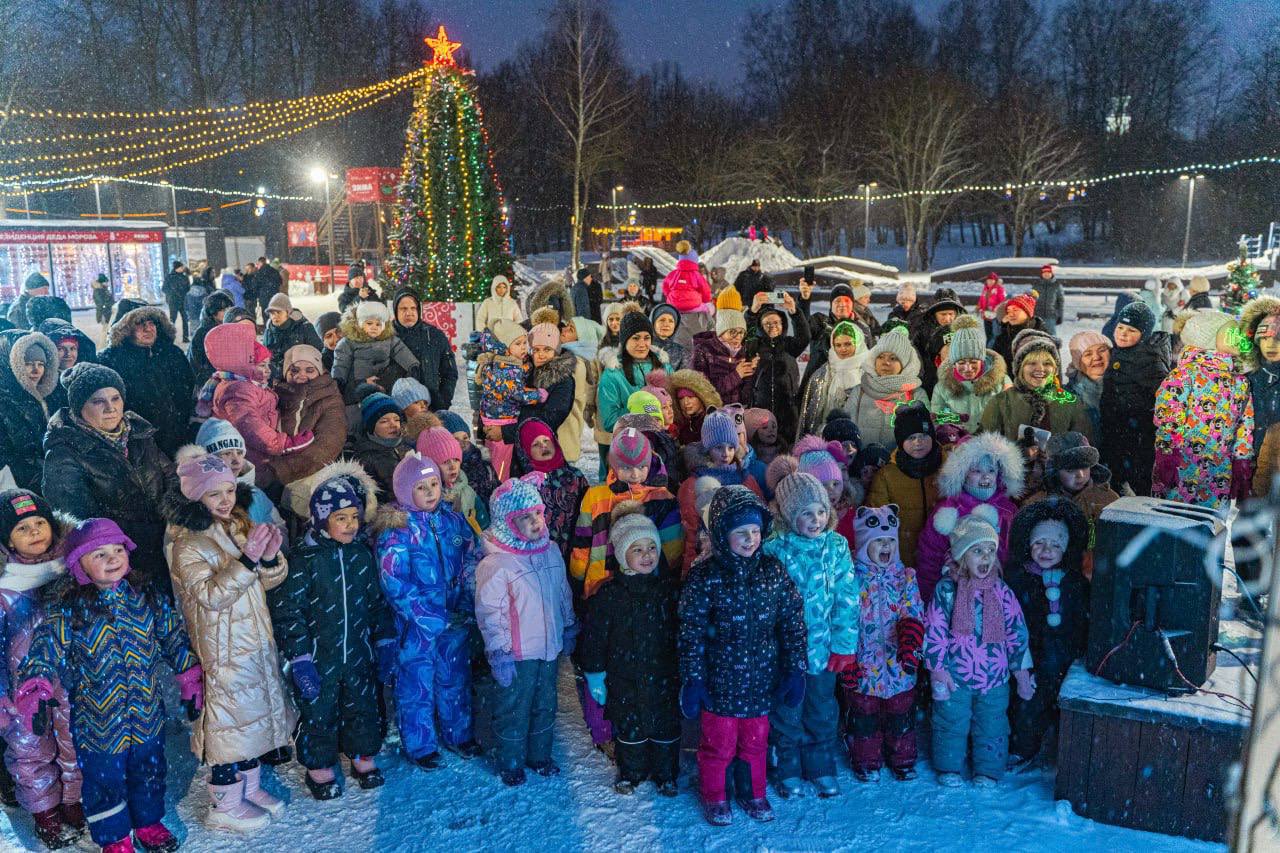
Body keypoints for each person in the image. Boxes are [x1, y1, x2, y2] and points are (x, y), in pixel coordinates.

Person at [16, 518, 200, 853]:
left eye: (118, 550)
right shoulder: (71, 609)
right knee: (105, 783)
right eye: (99, 554)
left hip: (146, 714)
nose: (112, 558)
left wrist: (189, 677)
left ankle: (148, 823)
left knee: (150, 771)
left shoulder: (146, 597)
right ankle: (114, 838)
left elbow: (173, 637)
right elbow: (46, 646)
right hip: (98, 723)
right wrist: (37, 684)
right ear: (79, 566)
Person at [163, 451, 295, 831]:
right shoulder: (187, 545)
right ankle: (223, 802)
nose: (225, 500)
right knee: (226, 727)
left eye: (228, 491)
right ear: (194, 499)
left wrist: (270, 559)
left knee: (251, 721)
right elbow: (210, 596)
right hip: (220, 647)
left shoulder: (236, 526)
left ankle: (248, 788)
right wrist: (248, 563)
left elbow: (265, 581)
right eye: (213, 495)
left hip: (252, 638)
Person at [678, 486, 806, 826]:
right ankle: (715, 795)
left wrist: (795, 669)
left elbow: (792, 622)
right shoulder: (705, 577)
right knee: (718, 746)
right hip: (719, 683)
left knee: (754, 744)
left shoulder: (773, 571)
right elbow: (690, 632)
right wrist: (694, 678)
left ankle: (753, 792)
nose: (750, 539)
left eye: (754, 531)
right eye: (740, 533)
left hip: (762, 681)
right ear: (722, 534)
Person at [374, 453, 481, 771]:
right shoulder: (397, 532)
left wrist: (467, 602)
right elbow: (395, 583)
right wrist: (429, 616)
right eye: (422, 487)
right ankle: (421, 744)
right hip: (417, 627)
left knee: (455, 679)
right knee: (416, 684)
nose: (432, 491)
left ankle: (458, 734)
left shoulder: (453, 519)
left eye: (434, 483)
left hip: (455, 619)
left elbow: (470, 557)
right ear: (406, 492)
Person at [475, 474, 578, 786]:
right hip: (517, 654)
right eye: (524, 517)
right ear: (507, 523)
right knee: (514, 706)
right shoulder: (498, 565)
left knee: (545, 703)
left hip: (549, 648)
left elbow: (562, 592)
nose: (535, 522)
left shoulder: (551, 552)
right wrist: (499, 653)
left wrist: (569, 624)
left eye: (537, 513)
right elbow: (491, 614)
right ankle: (511, 760)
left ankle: (540, 755)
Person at [763, 472, 859, 798]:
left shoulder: (836, 546)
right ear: (790, 515)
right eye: (805, 513)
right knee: (788, 712)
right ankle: (787, 765)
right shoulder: (775, 549)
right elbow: (768, 603)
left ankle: (820, 764)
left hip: (823, 651)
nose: (815, 519)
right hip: (787, 654)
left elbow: (847, 598)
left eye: (819, 511)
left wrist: (844, 645)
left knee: (822, 709)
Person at [42, 364, 176, 595]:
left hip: (163, 548)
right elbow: (83, 522)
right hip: (117, 564)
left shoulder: (138, 434)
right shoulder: (64, 453)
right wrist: (146, 538)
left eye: (115, 398)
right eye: (98, 401)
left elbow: (172, 476)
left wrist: (179, 516)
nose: (110, 408)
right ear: (79, 407)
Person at [923, 507, 1032, 787]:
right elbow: (934, 629)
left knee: (992, 725)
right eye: (977, 551)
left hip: (994, 676)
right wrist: (937, 669)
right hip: (955, 674)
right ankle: (949, 766)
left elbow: (1016, 632)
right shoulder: (947, 590)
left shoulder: (1002, 591)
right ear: (961, 555)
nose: (985, 558)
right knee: (950, 722)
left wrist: (1021, 673)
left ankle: (988, 770)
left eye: (989, 551)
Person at [578, 505, 682, 796]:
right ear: (623, 555)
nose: (647, 555)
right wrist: (595, 673)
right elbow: (595, 638)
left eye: (651, 547)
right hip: (625, 677)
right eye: (637, 550)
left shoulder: (668, 590)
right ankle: (632, 771)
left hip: (663, 673)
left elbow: (680, 630)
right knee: (629, 725)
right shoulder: (609, 595)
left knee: (665, 726)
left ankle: (666, 774)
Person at [0, 490, 84, 848]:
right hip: (23, 692)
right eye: (22, 528)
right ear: (6, 539)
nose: (35, 532)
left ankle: (73, 802)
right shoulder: (5, 589)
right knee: (29, 750)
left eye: (40, 523)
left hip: (72, 681)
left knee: (74, 742)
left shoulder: (74, 567)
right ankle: (44, 811)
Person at [841, 504, 924, 783]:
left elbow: (912, 610)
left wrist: (910, 639)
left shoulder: (905, 578)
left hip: (898, 665)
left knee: (901, 713)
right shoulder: (851, 578)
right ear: (865, 544)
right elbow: (845, 619)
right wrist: (847, 659)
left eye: (890, 541)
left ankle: (902, 758)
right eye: (879, 541)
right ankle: (866, 759)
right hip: (864, 665)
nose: (886, 546)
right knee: (865, 716)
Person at [1004, 497, 1090, 768]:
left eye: (1055, 545)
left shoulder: (1074, 581)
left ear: (1065, 549)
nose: (1046, 550)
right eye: (1039, 543)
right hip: (1027, 653)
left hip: (1063, 653)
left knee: (1058, 701)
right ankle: (1023, 745)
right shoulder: (1018, 578)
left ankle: (1058, 746)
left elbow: (1082, 616)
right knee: (1026, 701)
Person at [1154, 310, 1253, 509]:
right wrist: (1167, 453)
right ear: (1208, 338)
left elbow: (1245, 423)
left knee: (1211, 528)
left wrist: (1242, 460)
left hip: (1219, 473)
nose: (1238, 339)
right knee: (1174, 524)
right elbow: (1168, 417)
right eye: (1231, 334)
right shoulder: (1183, 376)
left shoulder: (1240, 382)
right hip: (1181, 467)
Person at [915, 432, 1025, 605]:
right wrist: (929, 597)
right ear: (963, 473)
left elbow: (1017, 553)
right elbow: (930, 555)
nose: (985, 476)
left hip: (1000, 595)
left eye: (991, 470)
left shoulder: (1008, 510)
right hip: (955, 595)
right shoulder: (948, 511)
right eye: (976, 471)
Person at [199, 322, 314, 478]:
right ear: (236, 357)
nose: (267, 370)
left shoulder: (243, 382)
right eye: (259, 363)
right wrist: (283, 444)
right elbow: (249, 424)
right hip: (254, 458)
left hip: (257, 453)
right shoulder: (237, 390)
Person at [98, 304, 195, 455]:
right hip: (135, 444)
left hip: (177, 438)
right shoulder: (110, 360)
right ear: (125, 329)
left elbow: (189, 390)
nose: (148, 329)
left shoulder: (172, 354)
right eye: (140, 324)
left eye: (152, 323)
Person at [678, 411, 764, 574]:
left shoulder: (745, 477)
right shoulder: (694, 484)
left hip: (746, 552)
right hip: (709, 558)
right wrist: (688, 569)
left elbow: (760, 514)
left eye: (731, 447)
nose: (726, 453)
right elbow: (690, 531)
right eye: (719, 447)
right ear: (707, 448)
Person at [1099, 301, 1171, 496]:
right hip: (1117, 430)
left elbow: (1162, 398)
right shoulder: (1119, 352)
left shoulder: (1149, 361)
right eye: (1120, 327)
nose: (1123, 333)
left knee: (1137, 481)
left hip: (1136, 435)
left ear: (1144, 335)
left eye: (1131, 330)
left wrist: (1138, 415)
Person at [1023, 433, 1118, 580]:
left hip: (1096, 578)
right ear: (1056, 472)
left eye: (1084, 467)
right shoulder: (1037, 504)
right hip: (1052, 579)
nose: (1080, 475)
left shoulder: (1109, 499)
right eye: (1070, 470)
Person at [979, 329, 1094, 448]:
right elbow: (985, 447)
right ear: (1020, 368)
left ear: (1055, 369)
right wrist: (1018, 455)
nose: (1040, 369)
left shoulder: (1071, 402)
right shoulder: (1000, 402)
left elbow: (1085, 449)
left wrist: (1059, 457)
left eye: (1047, 363)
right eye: (1032, 363)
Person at [862, 402, 943, 569]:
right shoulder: (887, 476)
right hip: (901, 561)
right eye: (910, 437)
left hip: (941, 559)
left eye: (923, 436)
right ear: (900, 441)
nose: (918, 442)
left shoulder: (948, 467)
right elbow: (875, 521)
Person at [596, 310, 670, 479]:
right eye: (635, 338)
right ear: (624, 340)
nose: (642, 344)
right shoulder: (613, 373)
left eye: (646, 338)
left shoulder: (664, 367)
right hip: (628, 452)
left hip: (661, 448)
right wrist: (642, 407)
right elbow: (609, 421)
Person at [270, 345, 347, 492]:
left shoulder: (330, 399)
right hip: (273, 473)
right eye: (294, 370)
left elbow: (328, 444)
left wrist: (281, 471)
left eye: (310, 370)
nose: (302, 375)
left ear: (320, 371)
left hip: (313, 476)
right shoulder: (272, 396)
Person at [332, 301, 420, 429]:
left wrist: (412, 365)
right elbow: (341, 363)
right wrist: (339, 378)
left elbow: (401, 350)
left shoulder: (389, 340)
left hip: (383, 382)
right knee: (357, 414)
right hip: (359, 384)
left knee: (382, 410)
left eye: (378, 324)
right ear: (360, 324)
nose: (374, 327)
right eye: (369, 323)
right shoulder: (348, 342)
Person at [514, 420, 588, 564]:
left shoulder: (575, 476)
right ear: (525, 451)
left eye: (546, 440)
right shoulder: (524, 485)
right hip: (539, 556)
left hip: (576, 551)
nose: (544, 446)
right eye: (535, 444)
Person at [476, 319, 541, 482]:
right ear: (505, 349)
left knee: (497, 458)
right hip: (501, 421)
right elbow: (517, 394)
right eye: (518, 344)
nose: (524, 347)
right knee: (501, 463)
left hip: (496, 417)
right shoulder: (506, 371)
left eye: (525, 343)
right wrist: (538, 395)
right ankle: (500, 489)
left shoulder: (504, 364)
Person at [743, 295, 810, 444]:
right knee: (761, 445)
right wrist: (753, 312)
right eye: (767, 323)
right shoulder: (755, 346)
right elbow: (747, 335)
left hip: (787, 411)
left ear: (783, 325)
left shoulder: (789, 345)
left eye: (776, 322)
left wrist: (794, 311)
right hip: (761, 408)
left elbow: (805, 336)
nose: (772, 326)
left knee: (787, 446)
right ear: (760, 326)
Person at [848, 329, 928, 448]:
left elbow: (925, 434)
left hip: (901, 464)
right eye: (881, 357)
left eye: (893, 358)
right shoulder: (859, 391)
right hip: (862, 462)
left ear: (905, 363)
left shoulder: (916, 394)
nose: (886, 363)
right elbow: (847, 432)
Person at [0, 330, 57, 491]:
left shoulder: (45, 396)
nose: (36, 370)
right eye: (28, 363)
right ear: (11, 364)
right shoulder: (5, 402)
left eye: (41, 364)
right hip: (21, 488)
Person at [929, 315, 1010, 430]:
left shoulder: (1002, 381)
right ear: (953, 362)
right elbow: (938, 420)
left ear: (982, 359)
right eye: (961, 363)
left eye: (973, 362)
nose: (968, 368)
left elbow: (1010, 417)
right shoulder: (942, 387)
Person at [796, 321, 868, 440]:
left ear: (858, 343)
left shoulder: (869, 370)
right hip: (829, 434)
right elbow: (811, 414)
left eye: (848, 344)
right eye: (838, 345)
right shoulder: (824, 372)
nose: (843, 349)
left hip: (861, 434)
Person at [392, 290, 458, 412]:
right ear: (396, 311)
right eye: (403, 309)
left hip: (431, 408)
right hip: (396, 412)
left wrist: (443, 401)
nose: (409, 313)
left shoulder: (434, 335)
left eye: (413, 308)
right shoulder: (386, 338)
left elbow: (450, 373)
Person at [417, 426, 489, 533]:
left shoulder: (467, 491)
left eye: (456, 459)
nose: (453, 466)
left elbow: (484, 527)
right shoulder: (425, 499)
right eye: (445, 462)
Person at [348, 391, 409, 497]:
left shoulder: (405, 445)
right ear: (371, 427)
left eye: (397, 419)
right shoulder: (366, 457)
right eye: (384, 421)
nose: (393, 425)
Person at [691, 309, 754, 406]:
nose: (738, 337)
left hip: (738, 413)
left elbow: (746, 396)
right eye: (732, 332)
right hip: (712, 413)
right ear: (721, 332)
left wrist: (752, 371)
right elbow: (703, 389)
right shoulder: (703, 350)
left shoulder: (744, 352)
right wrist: (736, 375)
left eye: (741, 332)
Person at [661, 242, 713, 352]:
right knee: (706, 312)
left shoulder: (674, 273)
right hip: (693, 306)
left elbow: (665, 286)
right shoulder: (696, 275)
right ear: (695, 261)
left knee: (680, 329)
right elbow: (706, 290)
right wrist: (706, 301)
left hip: (675, 305)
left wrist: (670, 296)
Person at [262, 294, 322, 380]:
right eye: (272, 313)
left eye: (278, 312)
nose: (275, 316)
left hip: (301, 376)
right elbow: (265, 355)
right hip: (275, 377)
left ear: (288, 312)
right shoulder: (268, 331)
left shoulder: (304, 327)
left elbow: (317, 351)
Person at [1064, 330, 1110, 438]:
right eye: (1088, 354)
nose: (1096, 357)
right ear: (1078, 363)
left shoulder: (1128, 386)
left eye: (1102, 350)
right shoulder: (1068, 397)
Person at [187, 290, 235, 387]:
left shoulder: (231, 328)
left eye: (229, 308)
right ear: (213, 312)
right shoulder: (202, 333)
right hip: (210, 382)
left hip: (230, 380)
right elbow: (196, 362)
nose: (228, 312)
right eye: (223, 309)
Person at [989, 293, 1046, 369]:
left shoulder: (1042, 336)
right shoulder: (1003, 337)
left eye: (1015, 310)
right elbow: (993, 365)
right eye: (1008, 311)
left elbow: (1052, 370)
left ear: (1028, 313)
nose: (1011, 314)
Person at [667, 369, 720, 447]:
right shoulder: (682, 427)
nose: (686, 402)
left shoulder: (713, 422)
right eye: (681, 398)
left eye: (690, 397)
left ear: (701, 398)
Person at [161, 261, 191, 342]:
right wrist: (172, 293)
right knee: (172, 319)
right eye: (181, 267)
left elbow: (188, 288)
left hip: (183, 300)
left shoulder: (184, 277)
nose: (182, 268)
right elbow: (164, 288)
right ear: (177, 268)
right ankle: (170, 337)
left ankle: (185, 337)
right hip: (173, 301)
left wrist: (183, 293)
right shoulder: (170, 277)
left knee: (185, 318)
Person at [1033, 263, 1064, 336]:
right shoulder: (1036, 284)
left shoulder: (1056, 285)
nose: (1046, 274)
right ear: (1042, 274)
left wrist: (1060, 315)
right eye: (1044, 273)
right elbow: (1032, 299)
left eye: (1048, 272)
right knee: (1038, 334)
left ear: (1051, 273)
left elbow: (1060, 301)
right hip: (1038, 314)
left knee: (1051, 335)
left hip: (1051, 315)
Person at [977, 273, 1006, 340]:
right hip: (986, 315)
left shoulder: (999, 289)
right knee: (988, 335)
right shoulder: (985, 289)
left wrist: (997, 309)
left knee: (994, 335)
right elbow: (982, 299)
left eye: (991, 280)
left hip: (995, 316)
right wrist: (979, 307)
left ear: (995, 281)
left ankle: (991, 349)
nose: (990, 282)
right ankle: (987, 349)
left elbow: (1003, 301)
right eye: (988, 280)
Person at [91, 273, 114, 337]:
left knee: (107, 329)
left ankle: (105, 342)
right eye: (105, 282)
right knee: (106, 330)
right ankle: (104, 343)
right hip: (104, 313)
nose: (107, 283)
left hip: (107, 312)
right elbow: (100, 303)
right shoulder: (98, 291)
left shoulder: (104, 290)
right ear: (102, 282)